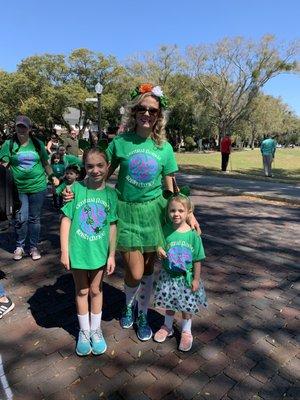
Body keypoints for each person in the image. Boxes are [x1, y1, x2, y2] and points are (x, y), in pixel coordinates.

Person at [106, 83, 201, 341]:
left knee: (148, 269)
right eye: (143, 109)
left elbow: (171, 186)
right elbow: (100, 173)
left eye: (153, 110)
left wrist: (188, 212)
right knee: (134, 272)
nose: (147, 114)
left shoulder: (165, 148)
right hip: (126, 211)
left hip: (155, 213)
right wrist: (78, 191)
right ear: (134, 111)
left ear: (159, 116)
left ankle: (142, 313)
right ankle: (128, 304)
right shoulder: (120, 143)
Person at [60, 148, 118, 356]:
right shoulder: (75, 190)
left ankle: (96, 330)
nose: (95, 170)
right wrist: (64, 251)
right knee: (82, 290)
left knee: (96, 290)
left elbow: (112, 226)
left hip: (99, 253)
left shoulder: (111, 194)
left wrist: (111, 254)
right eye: (90, 166)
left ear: (108, 166)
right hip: (78, 252)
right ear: (84, 168)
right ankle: (84, 331)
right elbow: (66, 220)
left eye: (100, 165)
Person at [0, 115, 59, 261]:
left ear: (29, 129)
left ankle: (33, 247)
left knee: (35, 219)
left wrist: (53, 177)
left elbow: (46, 164)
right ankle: (19, 246)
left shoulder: (37, 144)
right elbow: (4, 166)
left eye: (24, 127)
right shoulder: (9, 144)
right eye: (18, 126)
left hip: (38, 186)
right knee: (21, 218)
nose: (21, 129)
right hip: (18, 188)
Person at [153, 191, 207, 351]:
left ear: (189, 213)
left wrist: (196, 279)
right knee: (169, 303)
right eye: (172, 210)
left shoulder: (193, 235)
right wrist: (158, 248)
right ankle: (167, 326)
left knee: (186, 307)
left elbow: (198, 259)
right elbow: (159, 243)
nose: (176, 214)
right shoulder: (165, 229)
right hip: (168, 276)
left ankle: (186, 331)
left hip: (186, 278)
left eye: (180, 211)